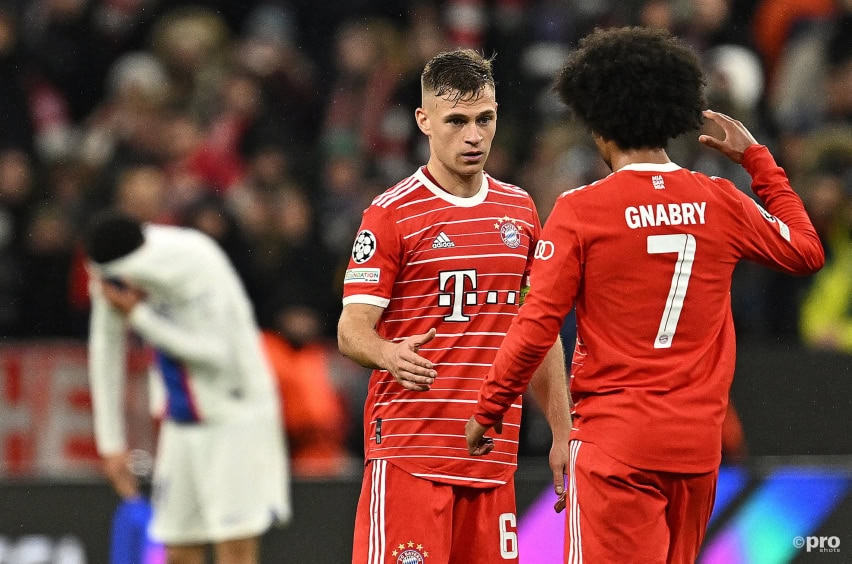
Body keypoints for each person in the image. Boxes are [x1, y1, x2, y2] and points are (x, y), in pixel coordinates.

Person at [466, 27, 825, 564]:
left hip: (616, 449)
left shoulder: (580, 211)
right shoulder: (719, 200)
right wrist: (758, 161)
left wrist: (488, 408)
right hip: (696, 452)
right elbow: (805, 250)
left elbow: (536, 324)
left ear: (598, 123)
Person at [337, 48, 571, 564]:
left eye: (485, 119)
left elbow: (540, 331)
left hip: (492, 465)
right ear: (424, 121)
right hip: (409, 459)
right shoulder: (390, 214)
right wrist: (387, 354)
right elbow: (351, 329)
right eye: (457, 121)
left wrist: (562, 432)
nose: (474, 136)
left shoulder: (520, 210)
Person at [84, 209, 291, 564]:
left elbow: (218, 355)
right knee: (178, 550)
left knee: (235, 550)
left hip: (234, 415)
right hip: (181, 423)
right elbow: (105, 347)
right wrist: (111, 444)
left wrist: (139, 317)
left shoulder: (195, 260)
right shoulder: (112, 271)